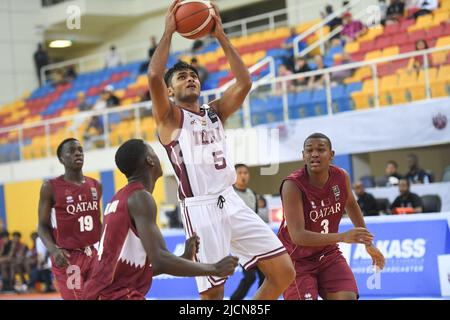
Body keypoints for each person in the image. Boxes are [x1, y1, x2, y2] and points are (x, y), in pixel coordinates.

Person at [148, 0, 295, 300]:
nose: (190, 78)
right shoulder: (170, 118)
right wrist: (169, 32)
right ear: (171, 92)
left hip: (231, 201)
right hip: (200, 210)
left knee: (284, 273)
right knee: (213, 297)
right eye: (181, 77)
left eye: (193, 76)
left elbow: (245, 81)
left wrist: (220, 35)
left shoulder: (215, 112)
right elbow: (153, 76)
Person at [83, 139, 238, 300]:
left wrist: (183, 258)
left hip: (100, 292)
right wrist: (214, 268)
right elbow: (160, 259)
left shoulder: (119, 197)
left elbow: (138, 268)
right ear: (150, 160)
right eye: (153, 152)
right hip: (113, 295)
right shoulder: (140, 198)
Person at [277, 133, 385, 300]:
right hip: (296, 260)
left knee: (347, 297)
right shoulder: (292, 185)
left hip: (328, 254)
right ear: (303, 155)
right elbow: (297, 236)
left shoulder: (341, 176)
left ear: (331, 155)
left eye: (320, 150)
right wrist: (342, 236)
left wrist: (368, 243)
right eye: (309, 150)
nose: (314, 154)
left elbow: (351, 204)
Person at [37, 138, 103, 299]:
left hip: (92, 253)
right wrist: (53, 250)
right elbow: (42, 226)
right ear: (61, 159)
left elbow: (97, 222)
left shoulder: (96, 185)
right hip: (67, 257)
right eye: (71, 151)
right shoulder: (50, 187)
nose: (78, 153)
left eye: (80, 150)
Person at [230, 164, 265, 300]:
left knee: (265, 275)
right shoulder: (230, 194)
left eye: (246, 172)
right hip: (239, 242)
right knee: (250, 276)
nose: (243, 175)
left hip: (255, 241)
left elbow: (255, 218)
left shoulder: (252, 194)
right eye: (240, 173)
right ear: (234, 175)